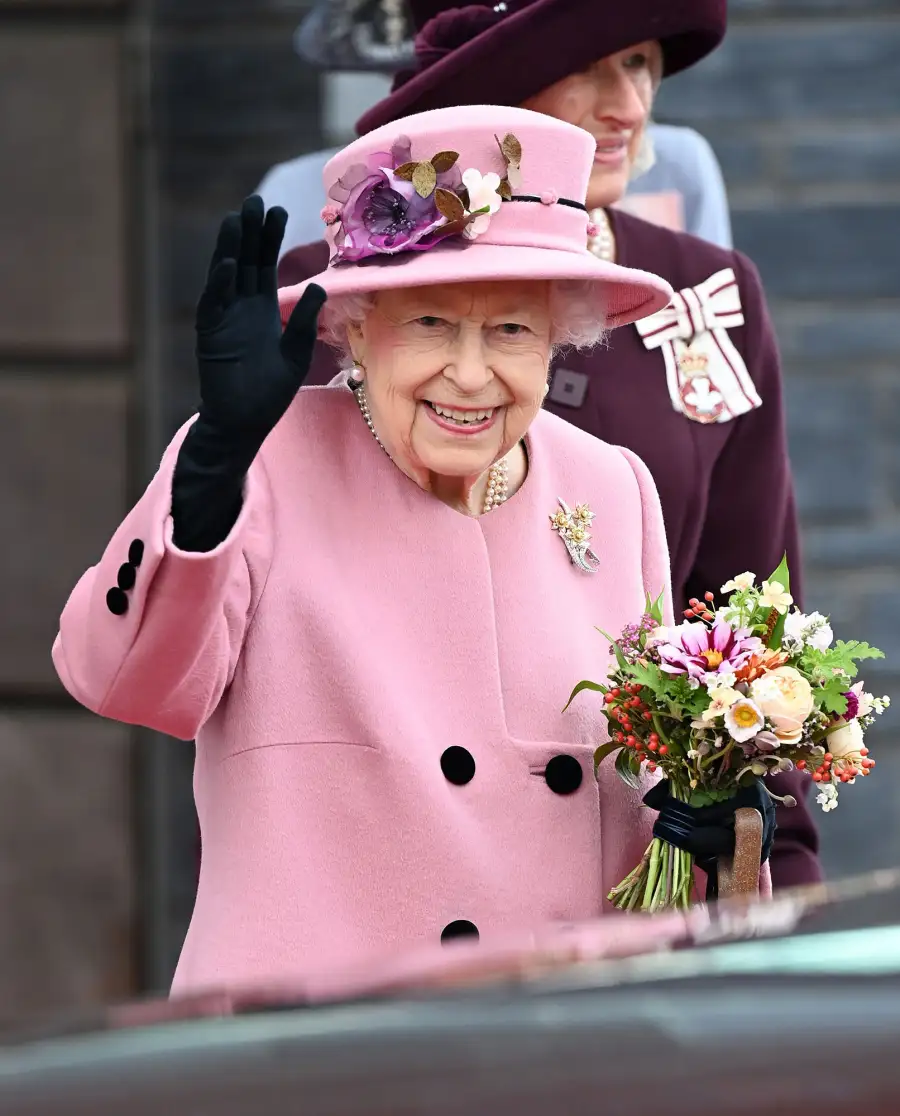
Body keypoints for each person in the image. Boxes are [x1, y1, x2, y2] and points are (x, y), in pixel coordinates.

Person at [52, 104, 714, 992]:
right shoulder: (262, 460)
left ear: (560, 335)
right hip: (316, 1053)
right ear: (355, 327)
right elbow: (122, 682)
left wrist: (709, 829)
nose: (472, 375)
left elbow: (643, 812)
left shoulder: (612, 489)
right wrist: (212, 466)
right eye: (430, 324)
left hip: (565, 1047)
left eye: (512, 329)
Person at [278, 0, 823, 888]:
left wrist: (775, 873)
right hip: (385, 860)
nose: (629, 105)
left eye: (642, 65)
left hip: (639, 857)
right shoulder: (334, 291)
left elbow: (749, 615)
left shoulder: (705, 293)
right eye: (591, 64)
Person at [258, 0, 734, 253]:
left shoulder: (679, 171)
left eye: (636, 62)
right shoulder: (307, 196)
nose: (628, 110)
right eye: (581, 67)